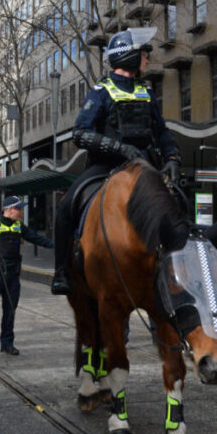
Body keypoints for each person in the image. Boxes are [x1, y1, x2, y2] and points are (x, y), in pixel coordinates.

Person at [50, 27, 181, 295]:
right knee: (66, 208)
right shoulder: (101, 91)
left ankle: (179, 268)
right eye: (143, 54)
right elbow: (80, 133)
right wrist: (120, 149)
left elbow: (162, 132)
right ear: (128, 56)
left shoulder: (147, 93)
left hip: (144, 167)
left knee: (178, 201)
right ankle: (61, 271)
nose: (147, 59)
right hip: (105, 167)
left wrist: (172, 158)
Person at [0, 196, 53, 356]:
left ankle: (7, 344)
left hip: (12, 276)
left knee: (10, 312)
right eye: (19, 209)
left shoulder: (18, 226)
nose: (22, 212)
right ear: (9, 209)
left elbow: (36, 238)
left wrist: (56, 245)